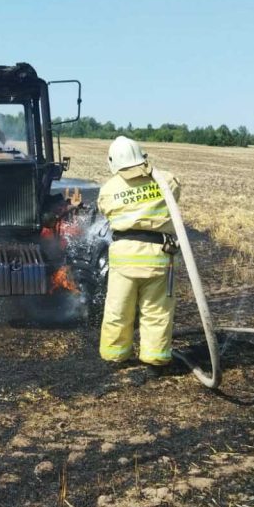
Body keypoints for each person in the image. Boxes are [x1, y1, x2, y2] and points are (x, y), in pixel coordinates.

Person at [98, 136, 180, 373]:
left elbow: (105, 210)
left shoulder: (109, 189)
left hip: (124, 258)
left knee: (118, 309)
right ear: (142, 156)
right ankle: (155, 357)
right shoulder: (166, 180)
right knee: (156, 311)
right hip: (158, 256)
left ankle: (115, 354)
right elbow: (175, 191)